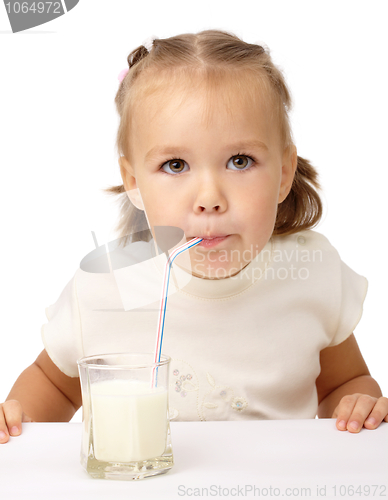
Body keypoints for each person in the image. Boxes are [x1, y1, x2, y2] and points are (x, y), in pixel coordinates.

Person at [1, 29, 387, 444]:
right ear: (134, 182)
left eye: (240, 161)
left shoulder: (312, 273)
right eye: (175, 165)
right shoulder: (106, 288)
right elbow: (55, 385)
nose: (209, 198)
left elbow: (340, 385)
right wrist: (16, 421)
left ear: (283, 173)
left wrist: (358, 404)